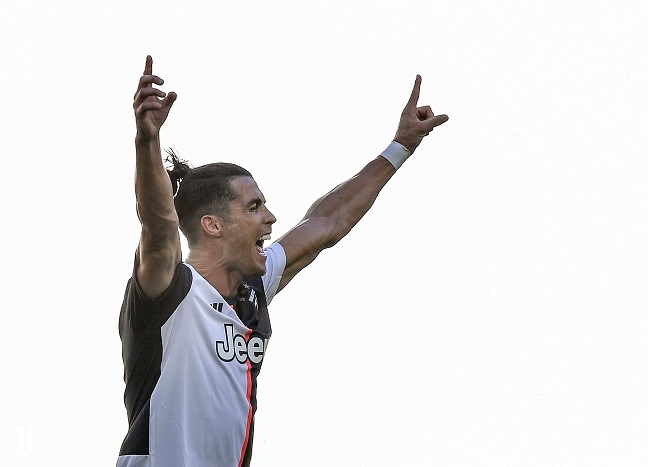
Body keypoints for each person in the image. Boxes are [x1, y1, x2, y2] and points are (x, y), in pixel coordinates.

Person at [117, 55, 448, 467]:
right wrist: (146, 141)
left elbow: (326, 221)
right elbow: (157, 224)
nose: (270, 218)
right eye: (254, 206)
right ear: (212, 225)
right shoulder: (171, 289)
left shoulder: (252, 290)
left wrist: (400, 147)